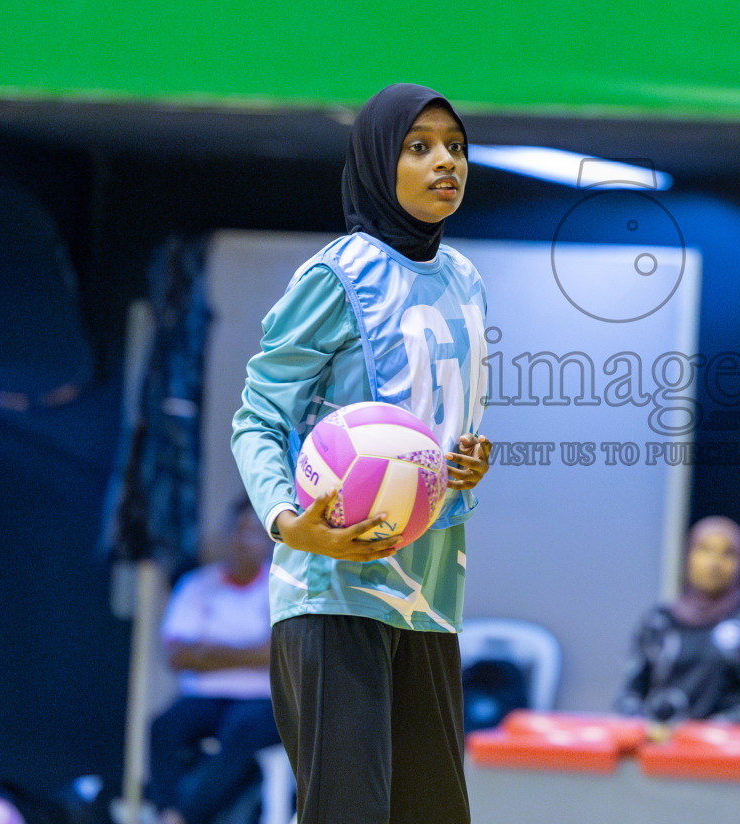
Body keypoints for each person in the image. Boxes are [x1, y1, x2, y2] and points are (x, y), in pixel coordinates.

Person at [230, 84, 492, 824]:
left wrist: (465, 464)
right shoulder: (337, 275)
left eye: (455, 145)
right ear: (379, 164)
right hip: (333, 589)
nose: (446, 162)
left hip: (431, 599)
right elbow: (257, 417)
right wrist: (288, 521)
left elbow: (441, 433)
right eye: (420, 147)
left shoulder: (467, 282)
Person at [146, 501, 280, 824]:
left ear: (267, 540)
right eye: (239, 530)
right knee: (164, 726)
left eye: (254, 532)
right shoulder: (196, 586)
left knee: (241, 730)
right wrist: (251, 652)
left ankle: (179, 817)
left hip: (261, 701)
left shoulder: (280, 590)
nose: (244, 540)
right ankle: (165, 810)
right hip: (202, 696)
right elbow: (177, 656)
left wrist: (209, 652)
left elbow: (277, 655)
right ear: (226, 535)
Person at [614, 516, 740, 729]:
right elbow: (629, 692)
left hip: (726, 752)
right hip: (659, 750)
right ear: (688, 555)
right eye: (704, 550)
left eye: (727, 554)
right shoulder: (658, 622)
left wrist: (714, 732)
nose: (714, 563)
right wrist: (643, 729)